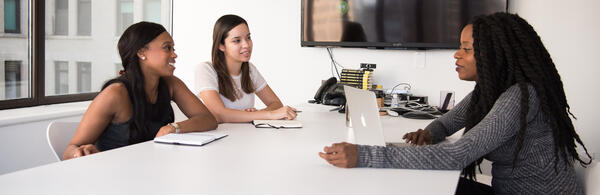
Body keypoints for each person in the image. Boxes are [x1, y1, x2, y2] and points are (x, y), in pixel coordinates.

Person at [318, 13, 592, 195]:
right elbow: (449, 121)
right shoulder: (491, 91)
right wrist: (430, 133)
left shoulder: (520, 96)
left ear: (496, 54)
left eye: (467, 48)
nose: (457, 54)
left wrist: (365, 156)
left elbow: (457, 155)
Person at [63, 22, 218, 160]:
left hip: (152, 171)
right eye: (167, 48)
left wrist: (173, 128)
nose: (174, 54)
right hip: (116, 177)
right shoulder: (115, 94)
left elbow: (208, 119)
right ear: (141, 52)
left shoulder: (171, 84)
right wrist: (79, 152)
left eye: (173, 48)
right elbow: (69, 151)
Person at [195, 14, 297, 123]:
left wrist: (256, 114)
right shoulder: (206, 70)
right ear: (221, 45)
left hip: (245, 136)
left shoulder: (250, 70)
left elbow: (276, 104)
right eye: (237, 40)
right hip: (220, 137)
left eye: (248, 38)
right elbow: (220, 114)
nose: (246, 45)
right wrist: (266, 114)